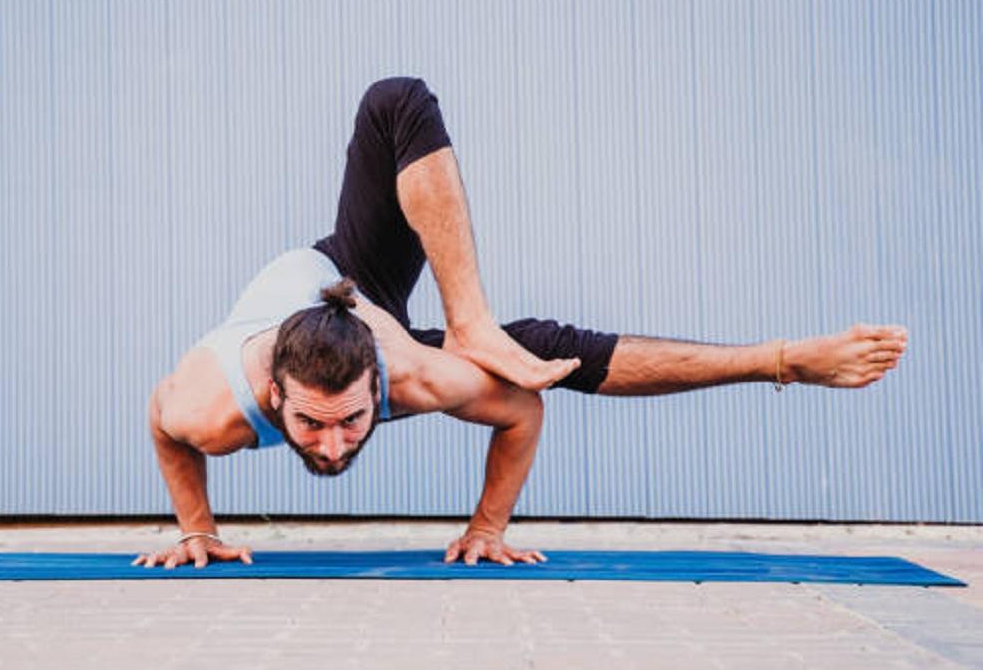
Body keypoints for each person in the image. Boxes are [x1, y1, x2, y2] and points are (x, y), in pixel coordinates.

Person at [134, 78, 907, 570]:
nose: (335, 445)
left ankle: (476, 322)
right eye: (314, 424)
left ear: (383, 387)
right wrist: (196, 528)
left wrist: (488, 524)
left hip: (356, 288)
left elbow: (520, 411)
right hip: (329, 290)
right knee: (538, 352)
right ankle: (774, 358)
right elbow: (161, 422)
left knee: (396, 103)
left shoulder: (411, 373)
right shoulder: (211, 402)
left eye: (353, 421)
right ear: (273, 395)